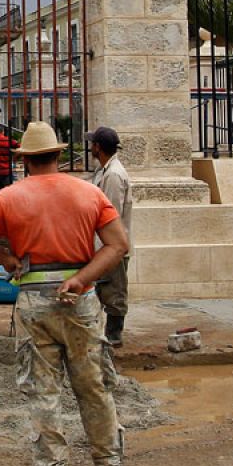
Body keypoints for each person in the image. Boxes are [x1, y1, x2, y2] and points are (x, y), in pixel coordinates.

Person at [0, 122, 129, 466]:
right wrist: (82, 278)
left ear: (25, 161)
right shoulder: (88, 192)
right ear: (58, 155)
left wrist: (5, 258)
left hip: (34, 299)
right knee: (94, 386)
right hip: (79, 300)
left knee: (44, 391)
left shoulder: (8, 197)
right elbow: (118, 245)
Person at [89, 127, 134, 349]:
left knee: (114, 291)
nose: (90, 147)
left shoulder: (114, 175)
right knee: (102, 289)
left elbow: (110, 215)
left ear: (97, 147)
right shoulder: (104, 171)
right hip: (104, 245)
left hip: (112, 245)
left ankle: (114, 337)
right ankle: (105, 335)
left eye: (92, 144)